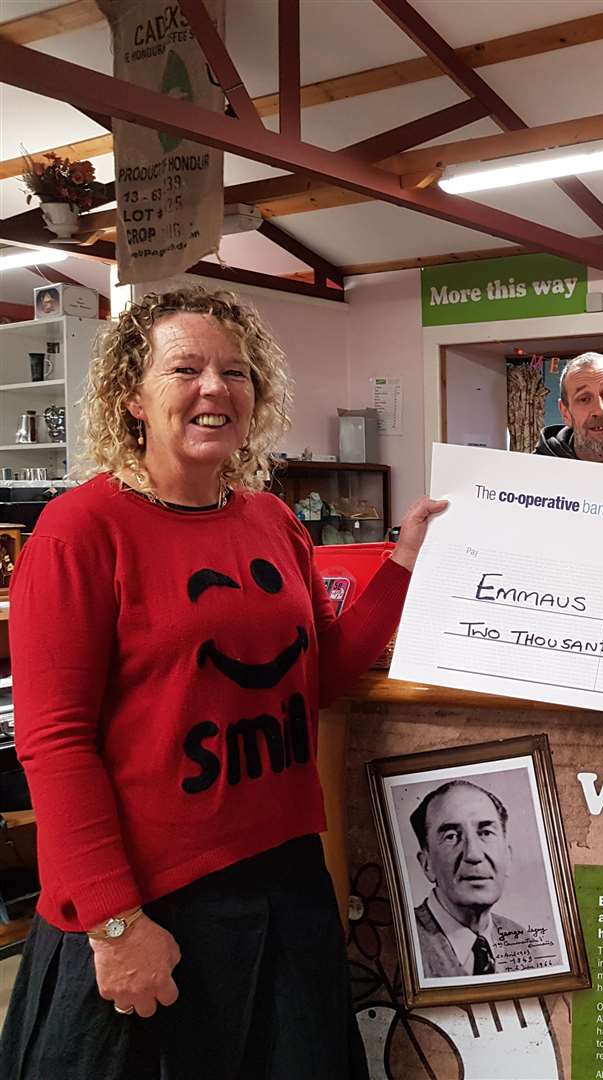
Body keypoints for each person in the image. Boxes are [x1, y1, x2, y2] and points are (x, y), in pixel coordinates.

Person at [0, 287, 448, 1079]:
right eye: (187, 369)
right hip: (151, 900)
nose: (216, 388)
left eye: (236, 372)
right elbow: (55, 742)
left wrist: (404, 560)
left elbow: (316, 678)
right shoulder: (80, 530)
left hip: (284, 880)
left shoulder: (273, 521)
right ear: (133, 397)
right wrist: (113, 924)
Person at [408, 780, 527, 978]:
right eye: (452, 836)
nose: (473, 854)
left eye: (486, 833)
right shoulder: (403, 943)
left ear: (507, 856)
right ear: (426, 864)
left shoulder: (525, 943)